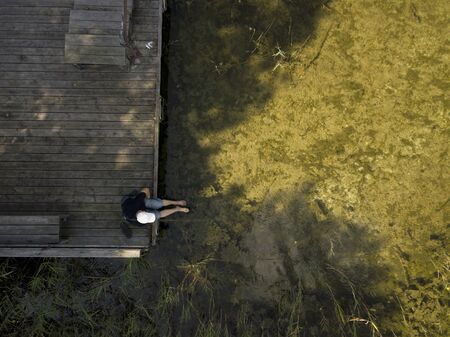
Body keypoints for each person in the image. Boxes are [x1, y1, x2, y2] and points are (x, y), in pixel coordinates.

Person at [120, 187, 189, 237]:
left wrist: (148, 197)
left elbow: (146, 189)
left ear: (142, 210)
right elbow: (147, 218)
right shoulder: (139, 222)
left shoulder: (138, 201)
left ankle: (176, 202)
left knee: (158, 204)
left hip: (132, 202)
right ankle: (177, 209)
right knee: (159, 215)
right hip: (133, 210)